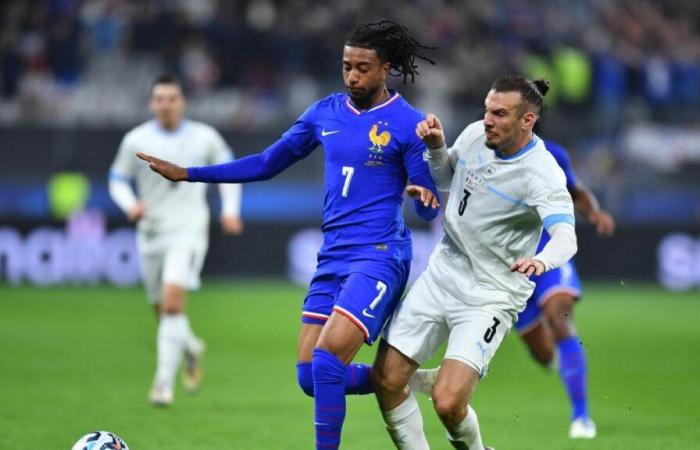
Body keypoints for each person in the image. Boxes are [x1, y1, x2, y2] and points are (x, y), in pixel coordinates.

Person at [136, 20, 441, 450]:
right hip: (333, 254)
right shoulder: (325, 113)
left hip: (379, 254)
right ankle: (400, 377)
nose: (352, 76)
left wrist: (423, 195)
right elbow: (266, 163)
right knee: (309, 377)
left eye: (362, 68)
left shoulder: (409, 123)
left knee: (328, 358)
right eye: (346, 66)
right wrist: (188, 174)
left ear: (385, 68)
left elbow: (427, 195)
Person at [371, 75, 579, 450]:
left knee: (448, 403)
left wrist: (543, 261)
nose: (488, 120)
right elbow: (447, 180)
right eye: (487, 110)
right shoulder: (473, 135)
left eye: (500, 114)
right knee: (386, 380)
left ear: (526, 121)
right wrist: (437, 149)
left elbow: (566, 236)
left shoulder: (542, 172)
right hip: (442, 272)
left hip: (491, 294)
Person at [108, 74, 244, 406]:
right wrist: (131, 205)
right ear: (151, 103)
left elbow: (229, 171)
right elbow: (117, 179)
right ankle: (190, 347)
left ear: (183, 102)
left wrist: (230, 210)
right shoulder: (135, 139)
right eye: (159, 99)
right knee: (162, 312)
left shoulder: (204, 137)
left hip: (188, 231)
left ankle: (162, 386)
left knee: (171, 305)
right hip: (151, 234)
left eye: (171, 98)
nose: (165, 104)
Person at [514, 138, 615, 439]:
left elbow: (576, 191)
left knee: (561, 318)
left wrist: (593, 213)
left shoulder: (553, 153)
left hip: (547, 247)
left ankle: (581, 416)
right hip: (508, 259)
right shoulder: (482, 150)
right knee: (544, 354)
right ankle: (567, 366)